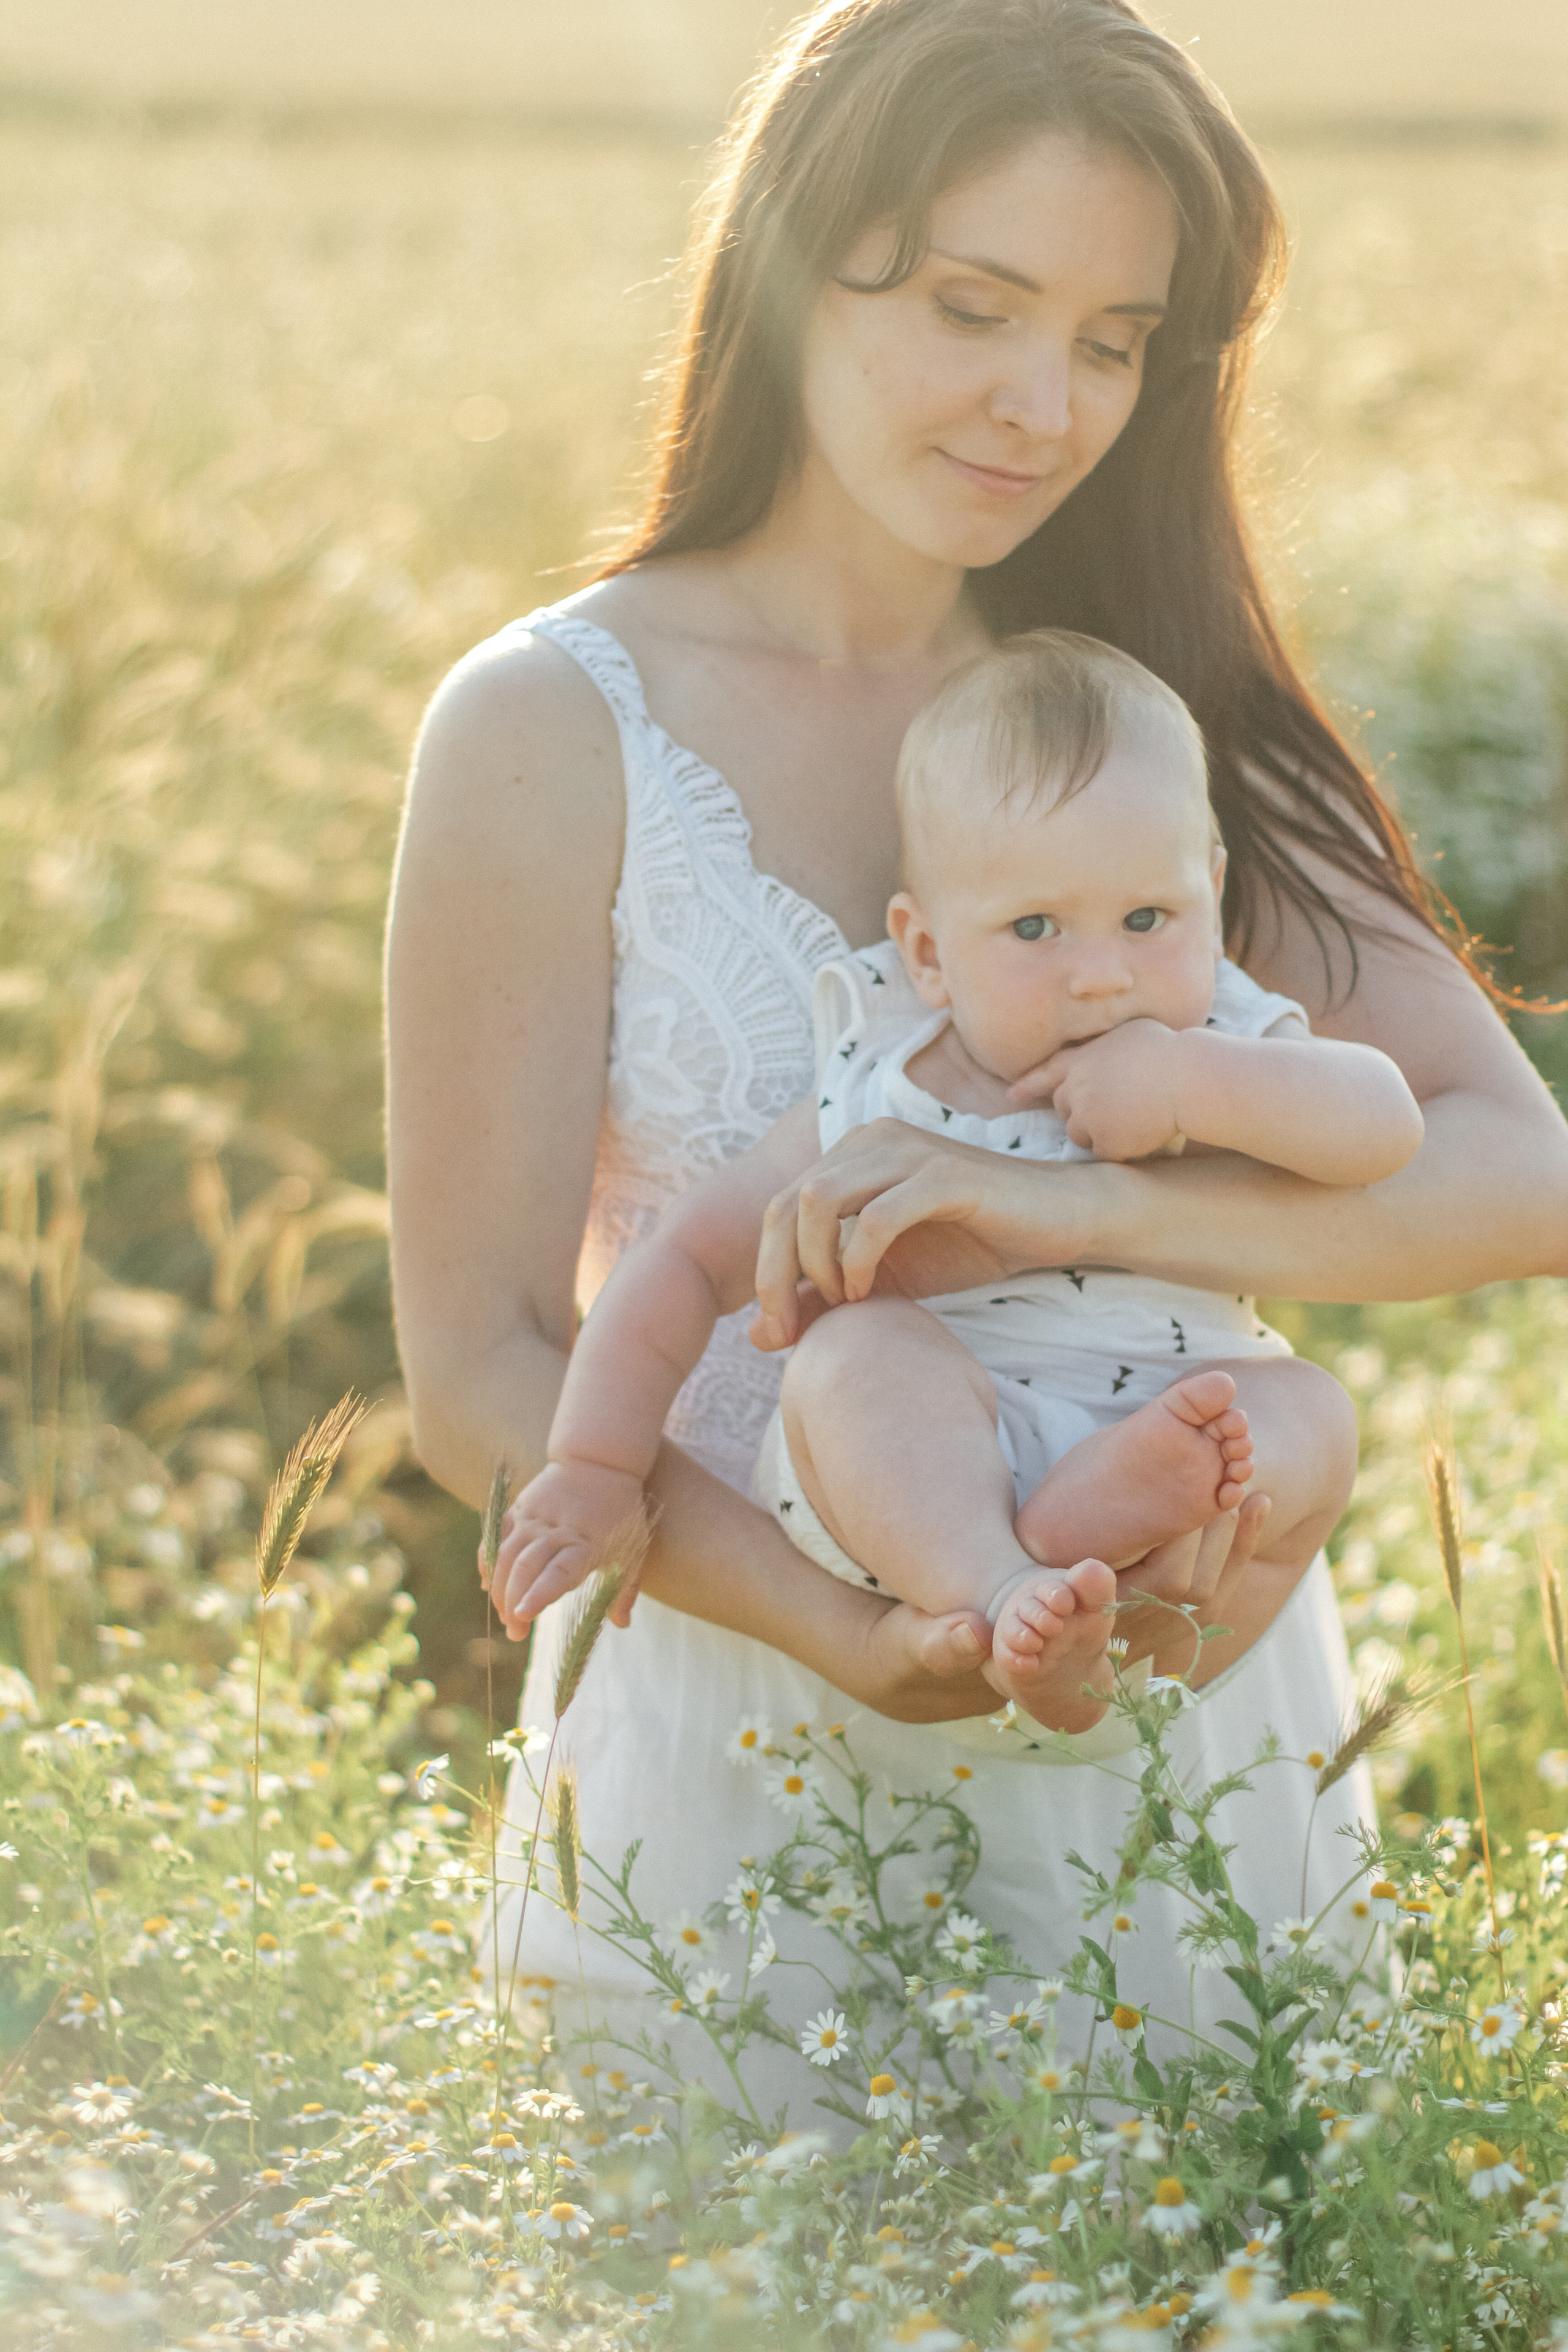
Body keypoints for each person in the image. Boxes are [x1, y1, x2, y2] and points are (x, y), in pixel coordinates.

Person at [385, 0, 1568, 2099]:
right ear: (790, 258)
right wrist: (843, 1626)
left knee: (1195, 2228)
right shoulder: (550, 728)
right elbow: (478, 1362)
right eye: (972, 306)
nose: (1046, 405)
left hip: (1162, 1705)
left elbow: (1519, 1172)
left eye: (1115, 340)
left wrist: (1060, 1207)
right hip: (727, 1720)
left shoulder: (1148, 716)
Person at [493, 631, 1423, 1735]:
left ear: (1209, 894)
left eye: (1148, 919)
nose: (1102, 975)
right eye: (1033, 928)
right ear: (927, 952)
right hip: (928, 1481)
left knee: (1312, 1413)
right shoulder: (880, 1083)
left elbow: (1385, 1126)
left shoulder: (1224, 1033)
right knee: (852, 1356)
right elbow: (687, 1260)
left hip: (1180, 1434)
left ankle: (1103, 1598)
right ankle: (1009, 1589)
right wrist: (597, 1462)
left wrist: (1193, 1083)